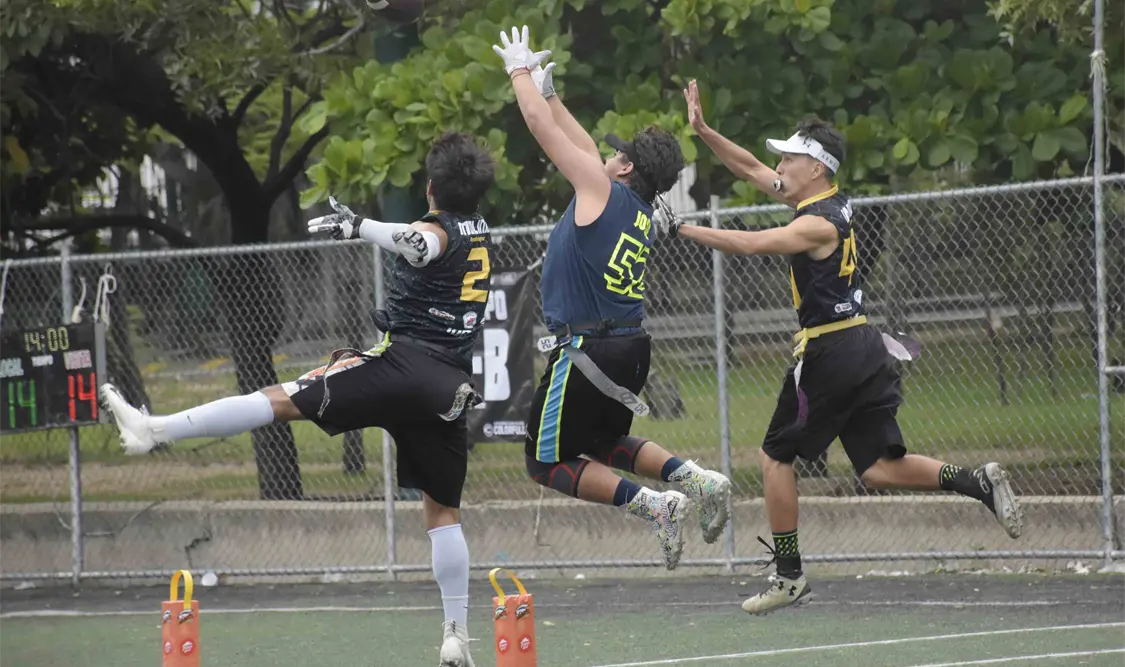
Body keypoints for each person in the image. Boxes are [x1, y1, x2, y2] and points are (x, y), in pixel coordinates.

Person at [100, 131, 495, 667]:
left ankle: (156, 429)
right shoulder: (482, 228)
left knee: (279, 398)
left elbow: (421, 244)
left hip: (400, 365)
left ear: (430, 189)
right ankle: (456, 634)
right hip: (448, 386)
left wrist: (359, 226)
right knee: (443, 513)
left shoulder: (437, 228)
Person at [675, 80, 1024, 614]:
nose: (780, 168)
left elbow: (748, 244)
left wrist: (680, 227)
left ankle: (789, 575)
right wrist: (703, 131)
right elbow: (749, 168)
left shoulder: (816, 223)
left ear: (815, 167)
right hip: (863, 345)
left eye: (789, 159)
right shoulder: (825, 202)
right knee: (876, 468)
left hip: (830, 351)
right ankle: (977, 483)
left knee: (774, 457)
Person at [490, 27, 732, 571]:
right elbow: (584, 148)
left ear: (624, 168)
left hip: (587, 351)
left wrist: (520, 75)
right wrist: (553, 93)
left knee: (543, 463)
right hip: (628, 346)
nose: (607, 155)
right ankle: (691, 478)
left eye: (617, 153)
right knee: (599, 444)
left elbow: (544, 132)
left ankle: (654, 504)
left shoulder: (600, 191)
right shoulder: (636, 206)